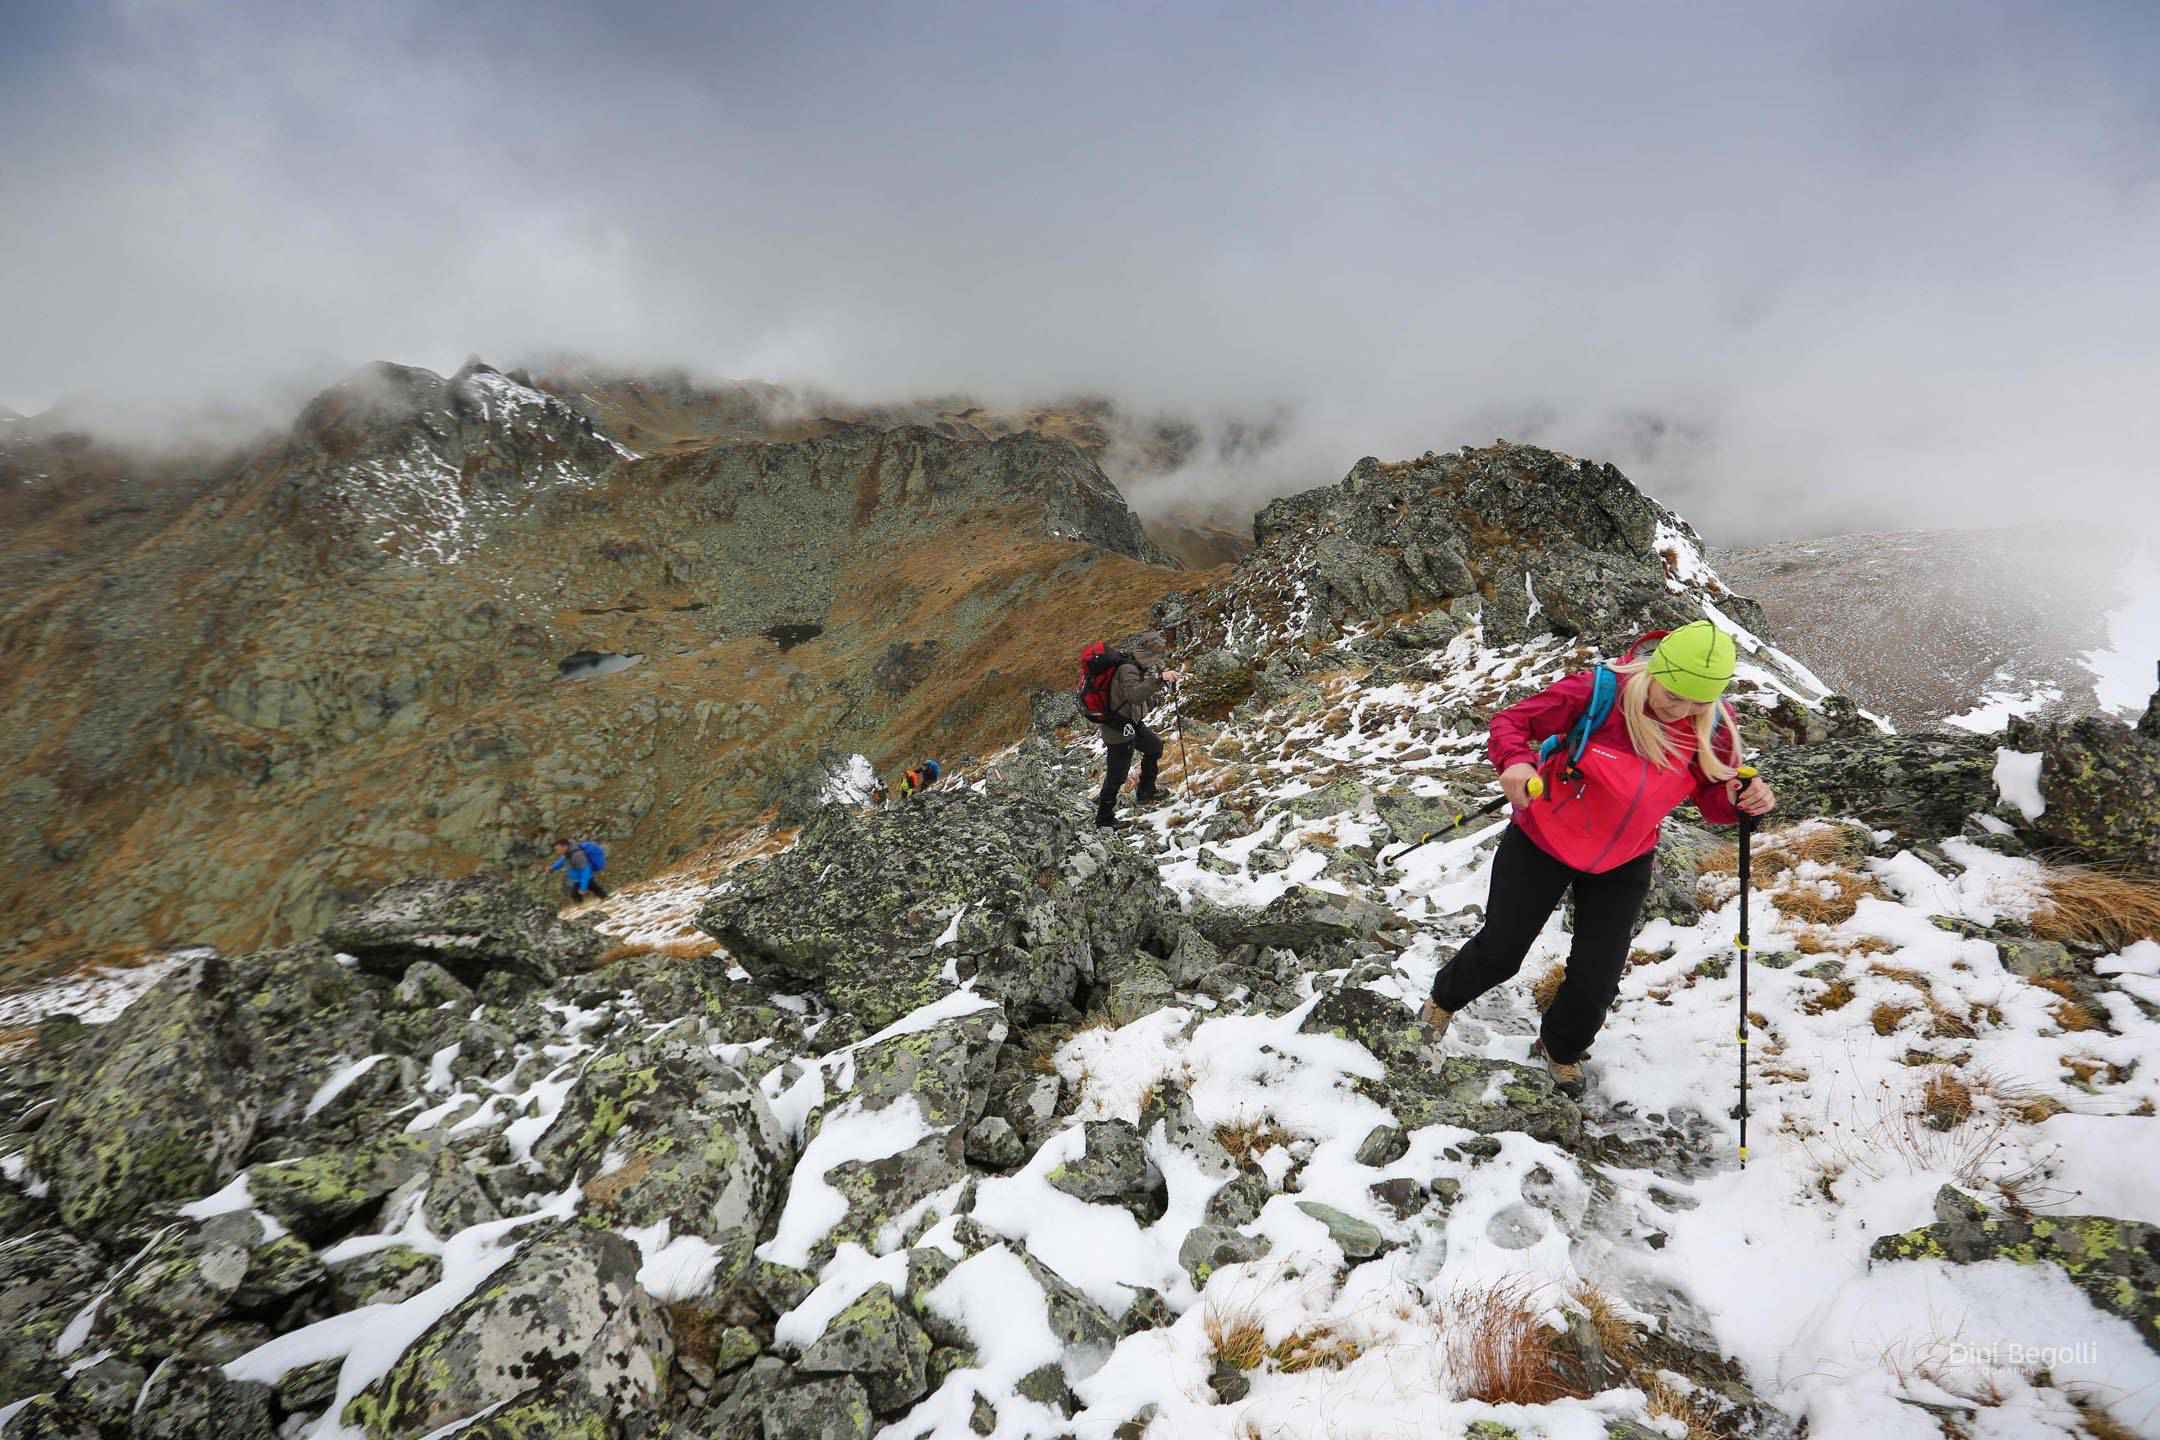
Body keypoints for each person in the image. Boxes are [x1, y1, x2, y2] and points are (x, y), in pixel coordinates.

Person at [1423, 621, 1775, 1097]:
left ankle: (1561, 1050)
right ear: (1656, 670)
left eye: (1698, 702)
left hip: (1624, 859)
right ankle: (1442, 1003)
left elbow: (1712, 801)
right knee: (1502, 951)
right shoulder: (1598, 694)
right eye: (1674, 695)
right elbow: (1512, 723)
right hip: (1543, 838)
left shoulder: (1715, 727)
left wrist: (1740, 802)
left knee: (1597, 978)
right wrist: (1516, 762)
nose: (1682, 710)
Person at [1095, 638, 1185, 829]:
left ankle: (1146, 791)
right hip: (1117, 728)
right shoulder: (1128, 669)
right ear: (1147, 655)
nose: (1157, 661)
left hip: (1129, 722)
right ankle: (1104, 818)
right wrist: (1159, 679)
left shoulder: (1133, 663)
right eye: (1155, 656)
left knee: (1154, 746)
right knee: (1117, 774)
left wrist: (1160, 678)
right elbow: (1134, 696)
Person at [547, 837, 609, 901]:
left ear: (565, 846)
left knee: (576, 894)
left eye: (558, 849)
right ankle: (605, 899)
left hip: (584, 878)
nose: (557, 851)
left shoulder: (577, 855)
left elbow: (586, 870)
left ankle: (583, 907)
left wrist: (583, 887)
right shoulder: (568, 853)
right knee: (596, 890)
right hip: (579, 879)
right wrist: (552, 868)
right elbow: (562, 861)